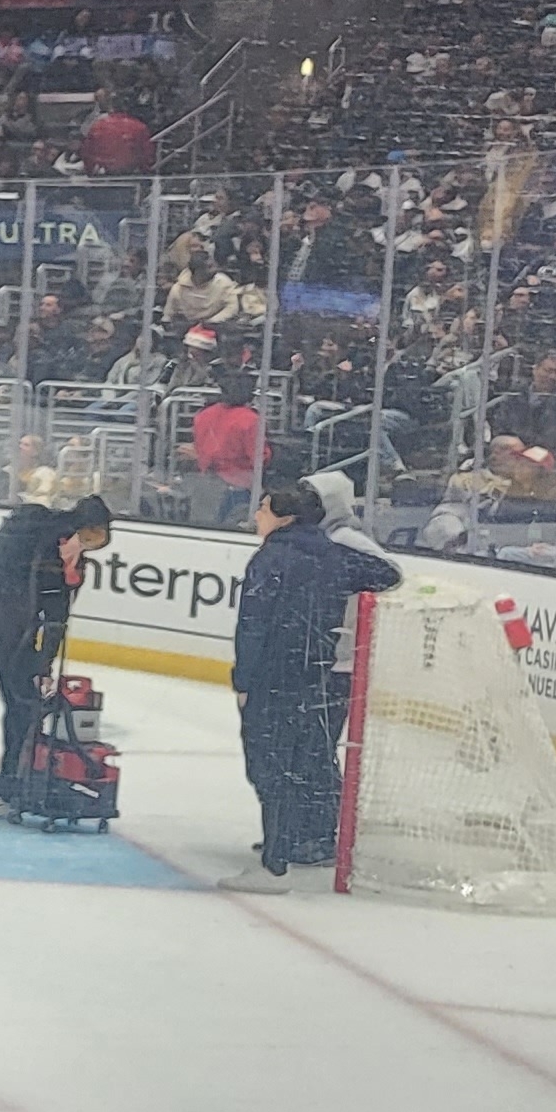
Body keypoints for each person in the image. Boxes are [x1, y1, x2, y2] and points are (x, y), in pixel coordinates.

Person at [224, 478, 401, 895]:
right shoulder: (331, 552)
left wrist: (244, 679)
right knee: (303, 756)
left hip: (282, 676)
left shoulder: (278, 557)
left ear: (286, 516)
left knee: (279, 762)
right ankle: (293, 840)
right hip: (315, 671)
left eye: (263, 508)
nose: (256, 515)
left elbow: (253, 624)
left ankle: (286, 854)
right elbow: (384, 574)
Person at [0, 495, 110, 808]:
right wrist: (58, 544)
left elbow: (57, 618)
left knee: (26, 705)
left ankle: (14, 777)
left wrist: (43, 666)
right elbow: (19, 533)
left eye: (96, 541)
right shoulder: (33, 527)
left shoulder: (71, 566)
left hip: (17, 637)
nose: (88, 546)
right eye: (87, 536)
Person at [188, 379, 262, 527]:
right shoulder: (251, 419)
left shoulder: (204, 414)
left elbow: (198, 445)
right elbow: (259, 457)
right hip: (239, 487)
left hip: (206, 480)